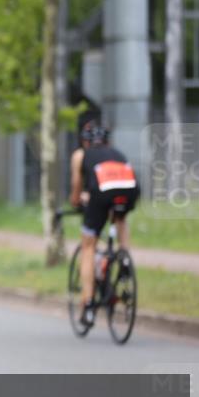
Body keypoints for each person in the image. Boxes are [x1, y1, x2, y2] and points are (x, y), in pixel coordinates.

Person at [68, 120, 139, 327]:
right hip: (129, 190)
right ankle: (124, 258)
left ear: (85, 141)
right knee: (120, 217)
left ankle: (89, 305)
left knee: (88, 246)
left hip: (101, 194)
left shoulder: (80, 155)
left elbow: (76, 189)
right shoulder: (118, 154)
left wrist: (76, 201)